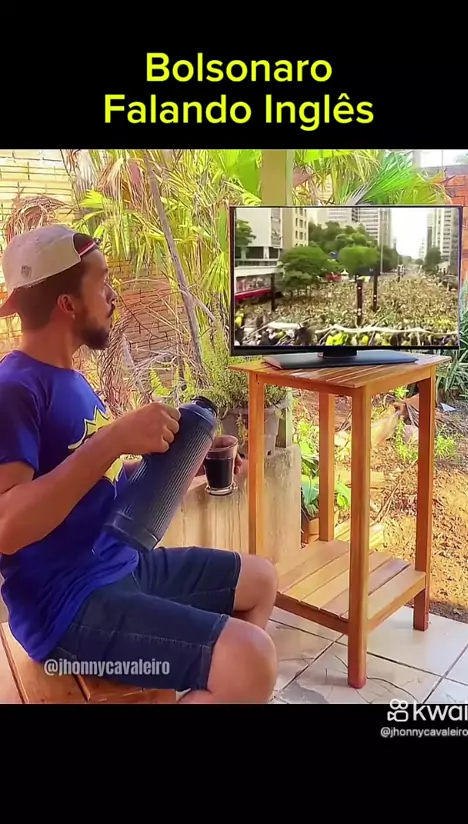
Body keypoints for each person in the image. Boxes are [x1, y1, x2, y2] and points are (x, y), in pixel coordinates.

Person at [0, 226, 278, 703]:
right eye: (102, 283)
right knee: (251, 659)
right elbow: (7, 525)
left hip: (120, 563)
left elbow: (93, 484)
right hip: (67, 607)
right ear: (67, 304)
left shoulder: (71, 380)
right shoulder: (14, 389)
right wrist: (113, 440)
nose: (113, 296)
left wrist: (186, 464)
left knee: (261, 580)